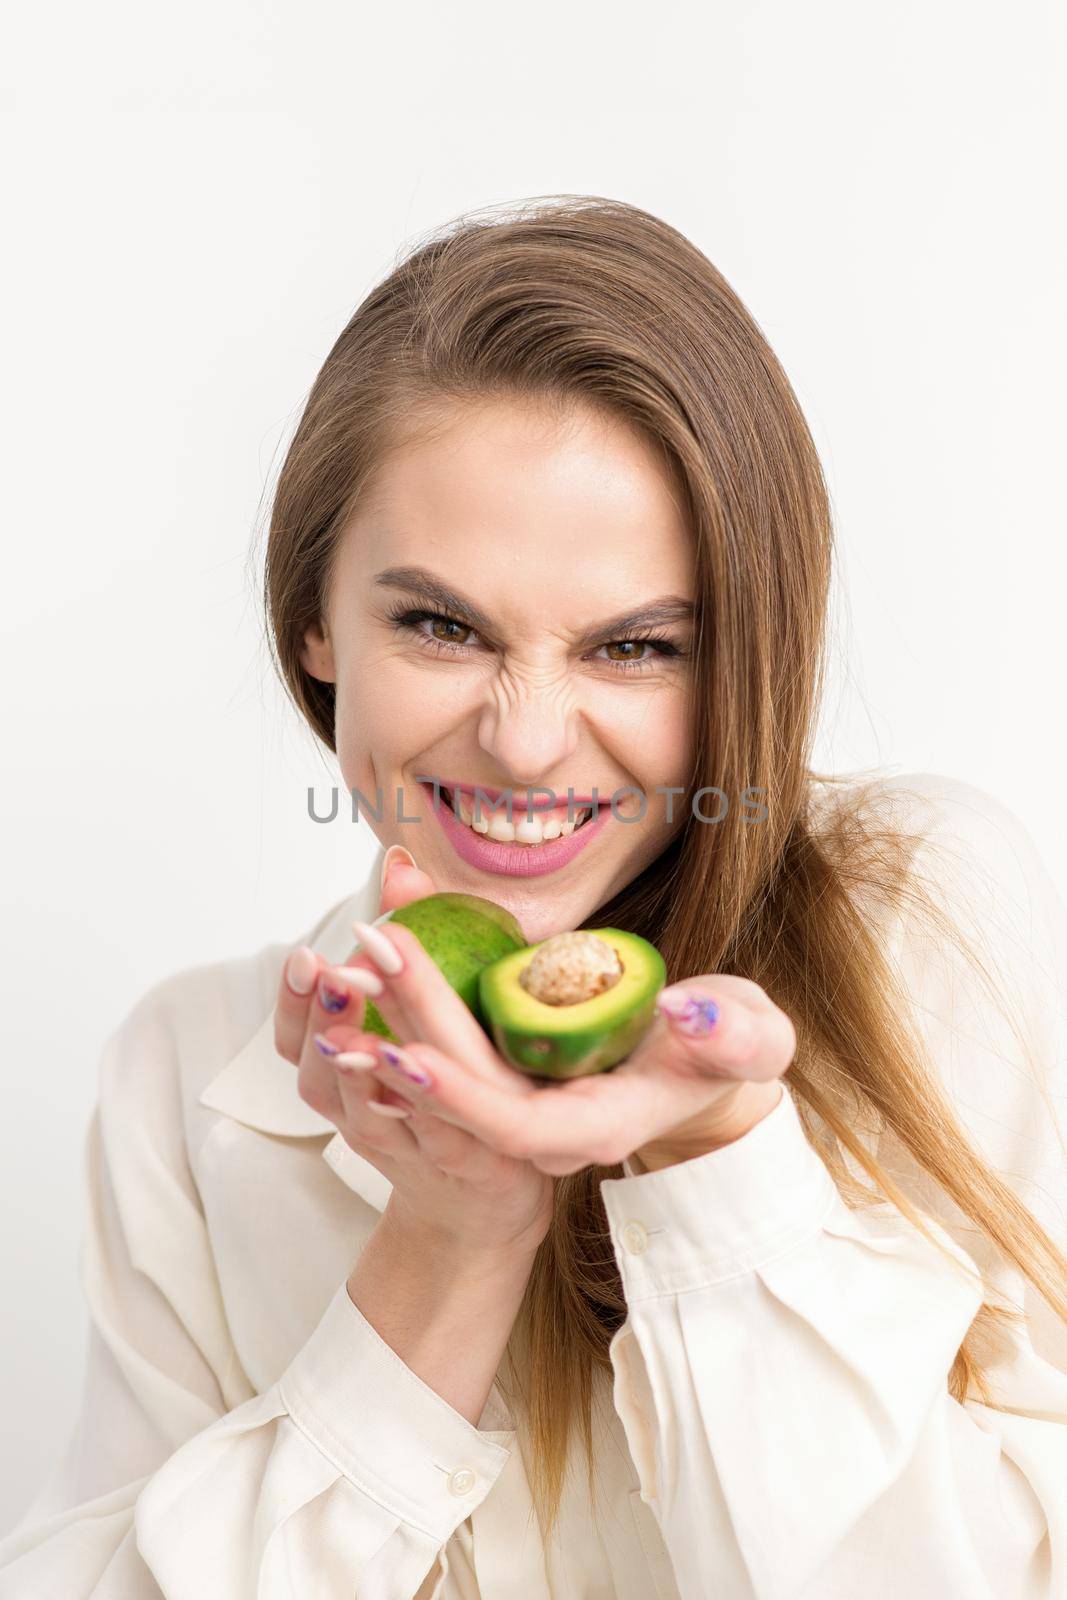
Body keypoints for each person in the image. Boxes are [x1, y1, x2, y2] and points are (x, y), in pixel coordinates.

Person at [2, 195, 1065, 1600]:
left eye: (636, 647)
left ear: (746, 656)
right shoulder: (188, 1076)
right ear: (316, 618)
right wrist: (450, 1237)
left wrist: (718, 1154)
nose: (525, 739)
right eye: (441, 625)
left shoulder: (921, 920)